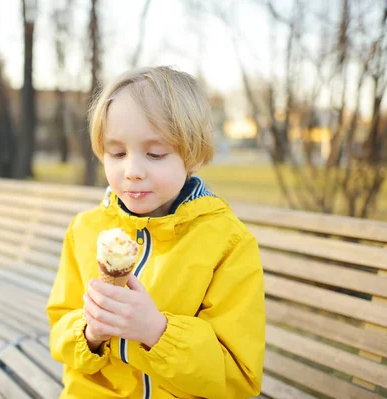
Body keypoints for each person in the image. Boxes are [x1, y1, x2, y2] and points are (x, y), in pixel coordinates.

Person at [46, 66, 265, 399]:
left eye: (155, 154)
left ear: (192, 154)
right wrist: (89, 333)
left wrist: (157, 332)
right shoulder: (85, 230)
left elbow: (237, 377)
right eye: (117, 153)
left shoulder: (227, 243)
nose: (132, 171)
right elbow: (59, 331)